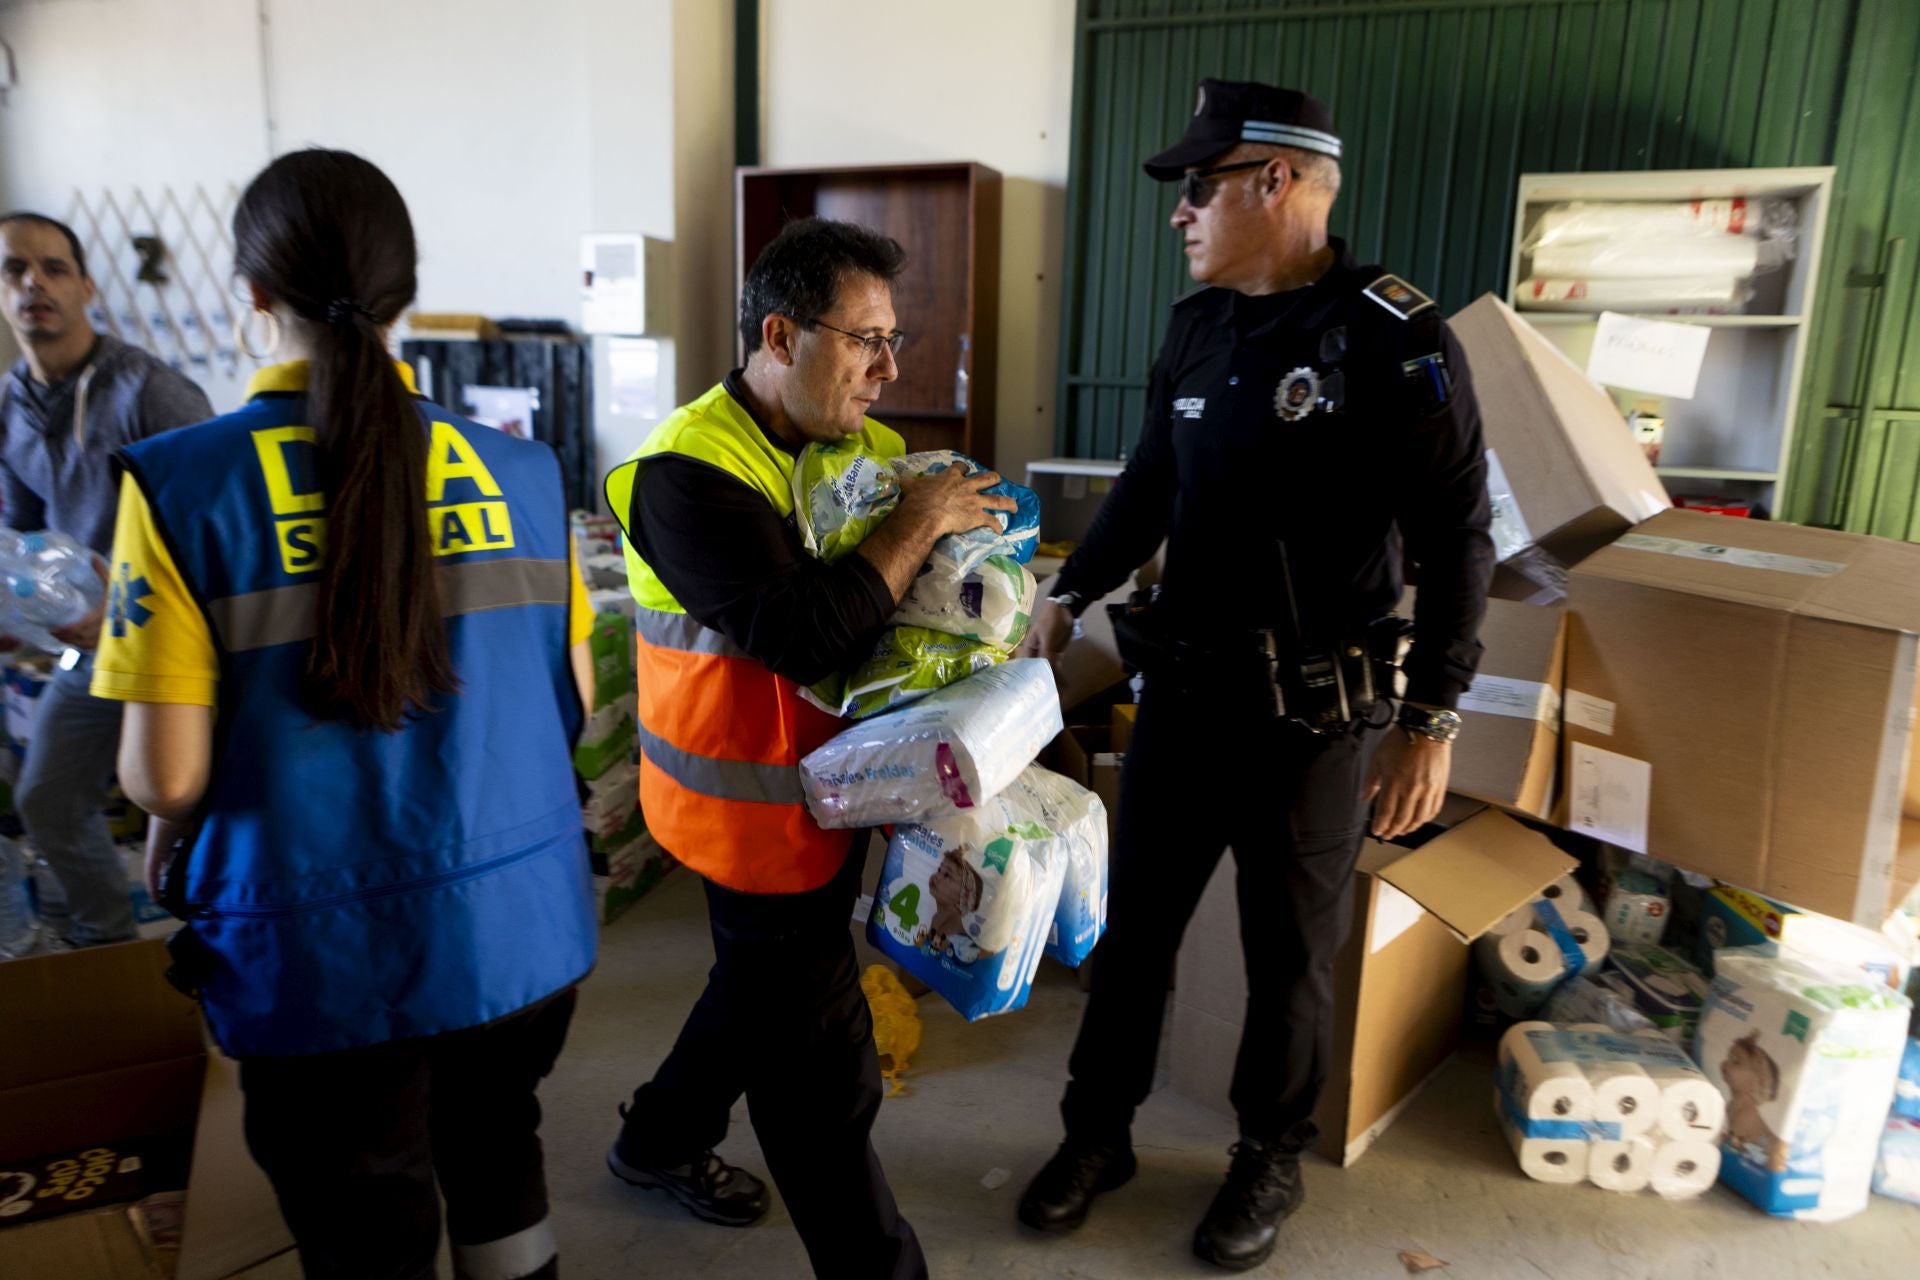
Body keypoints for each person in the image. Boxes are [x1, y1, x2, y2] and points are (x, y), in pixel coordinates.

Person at [90, 150, 598, 1280]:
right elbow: (577, 697)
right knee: (497, 1160)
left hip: (321, 959)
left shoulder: (182, 486)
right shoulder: (520, 470)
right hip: (518, 931)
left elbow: (165, 779)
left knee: (368, 1221)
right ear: (403, 294)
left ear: (253, 296)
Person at [1014, 80, 1493, 1271]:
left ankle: (1265, 1154)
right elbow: (1148, 483)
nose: (1180, 212)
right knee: (1133, 942)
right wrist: (1069, 587)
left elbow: (1458, 540)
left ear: (1275, 181)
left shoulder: (1397, 337)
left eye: (1199, 186)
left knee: (1287, 961)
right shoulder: (1200, 325)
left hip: (1314, 721)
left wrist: (1430, 717)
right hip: (1182, 696)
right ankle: (1097, 1133)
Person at [602, 216, 1013, 1279]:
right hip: (745, 816)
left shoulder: (860, 449)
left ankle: (655, 1137)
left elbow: (908, 609)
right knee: (824, 1072)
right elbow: (804, 633)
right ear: (780, 335)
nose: (885, 370)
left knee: (755, 990)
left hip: (839, 798)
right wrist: (920, 522)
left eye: (894, 341)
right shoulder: (682, 474)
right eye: (864, 339)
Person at [0, 211, 212, 955]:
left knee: (202, 806)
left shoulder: (151, 392)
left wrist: (124, 602)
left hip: (175, 644)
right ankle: (111, 955)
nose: (34, 283)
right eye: (14, 269)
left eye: (54, 268)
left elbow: (215, 529)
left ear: (87, 287)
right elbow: (20, 538)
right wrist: (18, 612)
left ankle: (225, 950)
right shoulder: (9, 405)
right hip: (85, 650)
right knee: (47, 799)